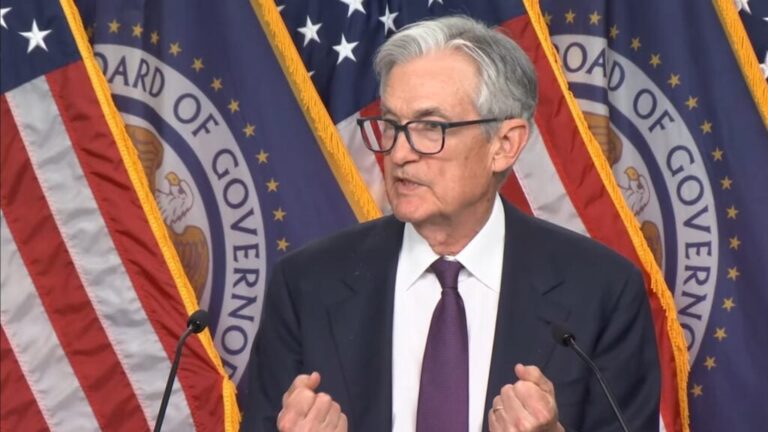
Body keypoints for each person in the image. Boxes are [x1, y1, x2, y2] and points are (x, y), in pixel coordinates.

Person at [242, 15, 660, 432]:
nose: (399, 154)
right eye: (391, 125)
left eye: (431, 127)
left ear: (505, 144)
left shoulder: (602, 291)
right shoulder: (305, 285)